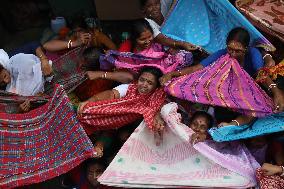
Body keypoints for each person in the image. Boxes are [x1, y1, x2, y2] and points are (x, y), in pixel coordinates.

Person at [161, 27, 284, 125]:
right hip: (228, 94)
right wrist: (172, 74)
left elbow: (261, 74)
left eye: (238, 51)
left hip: (249, 93)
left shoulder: (253, 54)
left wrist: (276, 92)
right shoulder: (222, 54)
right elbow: (196, 69)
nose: (233, 53)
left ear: (246, 49)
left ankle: (236, 124)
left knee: (259, 109)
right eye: (230, 49)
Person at [78, 66, 166, 135]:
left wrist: (158, 115)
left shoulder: (158, 97)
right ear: (137, 80)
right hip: (115, 124)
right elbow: (111, 94)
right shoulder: (130, 88)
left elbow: (161, 107)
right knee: (85, 111)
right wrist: (90, 101)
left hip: (138, 130)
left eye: (150, 83)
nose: (144, 85)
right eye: (142, 80)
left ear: (156, 87)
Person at [102, 19, 193, 74]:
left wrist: (172, 52)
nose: (147, 41)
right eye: (142, 39)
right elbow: (126, 67)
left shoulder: (157, 44)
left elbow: (169, 52)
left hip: (167, 70)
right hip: (150, 77)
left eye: (150, 37)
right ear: (134, 39)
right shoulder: (129, 55)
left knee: (186, 56)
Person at [0, 48, 52, 112]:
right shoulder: (8, 91)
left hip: (50, 77)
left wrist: (43, 60)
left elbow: (34, 45)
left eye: (5, 76)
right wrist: (20, 110)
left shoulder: (19, 61)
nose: (6, 81)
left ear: (4, 66)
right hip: (43, 101)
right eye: (2, 83)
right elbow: (13, 109)